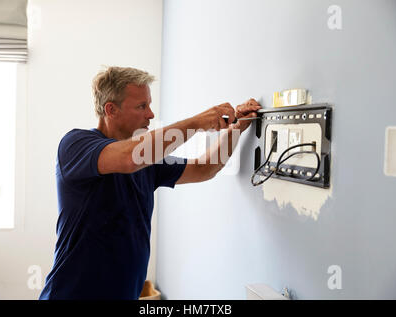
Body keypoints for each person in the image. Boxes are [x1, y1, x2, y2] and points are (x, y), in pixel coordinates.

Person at [39, 66, 261, 300]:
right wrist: (198, 122)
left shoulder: (148, 160)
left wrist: (237, 128)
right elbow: (129, 158)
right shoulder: (76, 144)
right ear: (111, 110)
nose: (151, 114)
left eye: (149, 104)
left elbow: (205, 168)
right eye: (141, 106)